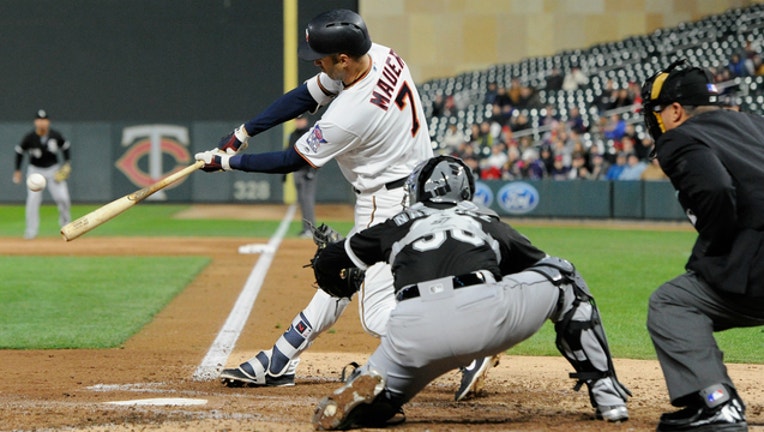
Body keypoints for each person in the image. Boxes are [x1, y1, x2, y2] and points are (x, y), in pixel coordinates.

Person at [194, 9, 494, 400]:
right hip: (422, 188)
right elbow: (305, 95)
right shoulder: (383, 55)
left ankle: (468, 347)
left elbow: (294, 160)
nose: (316, 61)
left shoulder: (352, 113)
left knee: (375, 316)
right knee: (339, 271)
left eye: (321, 57)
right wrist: (244, 131)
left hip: (386, 203)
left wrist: (227, 161)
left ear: (344, 59)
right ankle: (281, 360)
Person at [309, 155, 630, 430]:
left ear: (421, 189)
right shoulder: (485, 220)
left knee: (381, 397)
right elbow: (539, 265)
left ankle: (374, 400)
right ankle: (607, 393)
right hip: (483, 315)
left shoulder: (397, 223)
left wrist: (338, 285)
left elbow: (327, 260)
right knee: (564, 276)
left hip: (412, 332)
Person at [641, 59, 764, 432]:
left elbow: (714, 189)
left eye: (658, 110)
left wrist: (716, 246)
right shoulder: (755, 123)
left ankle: (717, 404)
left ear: (676, 110)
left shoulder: (679, 136)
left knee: (672, 304)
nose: (657, 119)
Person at [12, 109, 72, 239]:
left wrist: (67, 163)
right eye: (39, 120)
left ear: (48, 122)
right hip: (35, 171)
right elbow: (19, 151)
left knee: (63, 199)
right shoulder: (30, 137)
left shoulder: (55, 135)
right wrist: (17, 170)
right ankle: (30, 232)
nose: (42, 122)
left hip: (53, 170)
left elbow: (66, 146)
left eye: (44, 120)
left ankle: (67, 228)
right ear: (35, 122)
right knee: (32, 201)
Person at [289, 115, 318, 238]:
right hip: (297, 171)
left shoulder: (310, 134)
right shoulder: (293, 134)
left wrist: (312, 170)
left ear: (305, 120)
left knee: (308, 202)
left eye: (300, 120)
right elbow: (288, 152)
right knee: (302, 202)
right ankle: (305, 228)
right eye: (297, 120)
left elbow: (318, 152)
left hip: (307, 172)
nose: (298, 122)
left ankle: (311, 230)